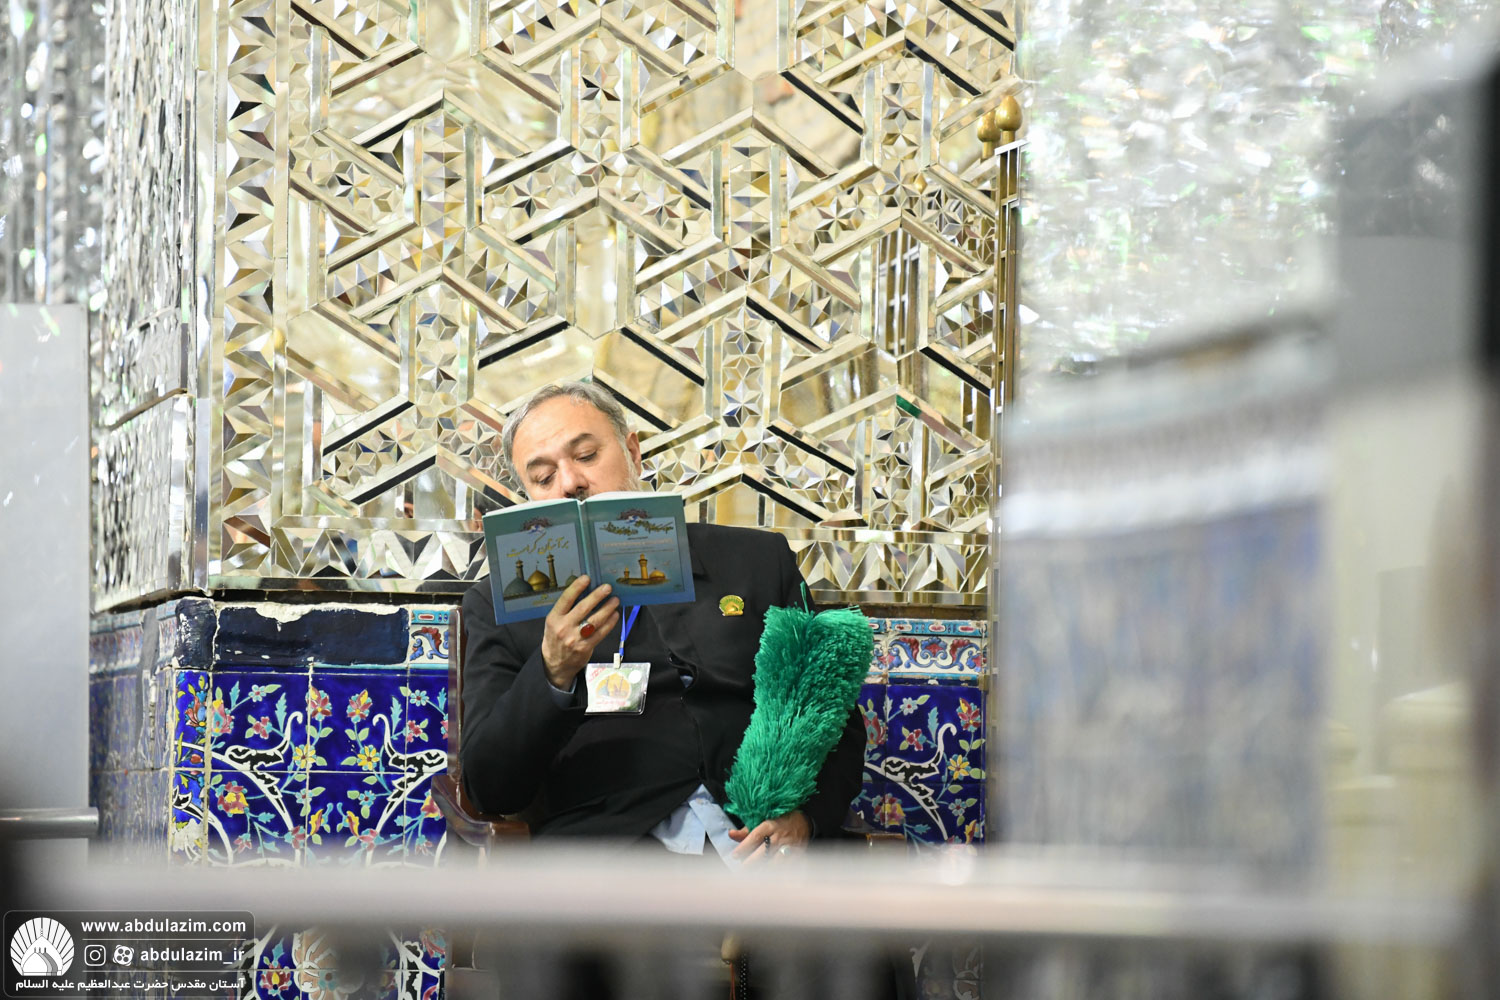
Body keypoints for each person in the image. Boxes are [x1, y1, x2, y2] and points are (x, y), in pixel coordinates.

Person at [458, 380, 865, 861]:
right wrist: (552, 671)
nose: (570, 483)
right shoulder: (501, 605)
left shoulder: (754, 560)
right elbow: (491, 788)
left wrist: (806, 821)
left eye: (586, 455)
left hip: (760, 844)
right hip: (609, 859)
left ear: (633, 451)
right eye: (544, 478)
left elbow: (829, 709)